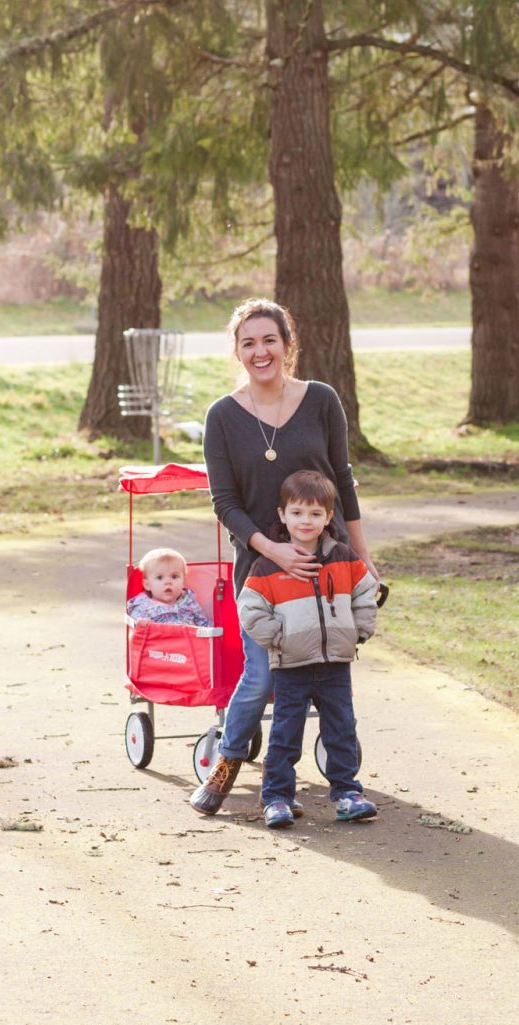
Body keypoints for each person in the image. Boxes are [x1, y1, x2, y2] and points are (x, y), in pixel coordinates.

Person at [189, 298, 375, 816]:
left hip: (327, 566)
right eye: (248, 342)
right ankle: (225, 766)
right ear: (237, 351)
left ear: (288, 346)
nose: (260, 350)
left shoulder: (321, 400)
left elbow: (342, 480)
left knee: (330, 674)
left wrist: (362, 557)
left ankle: (344, 783)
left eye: (270, 339)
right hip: (263, 569)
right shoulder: (222, 416)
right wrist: (275, 551)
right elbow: (224, 502)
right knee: (264, 675)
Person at [237, 470, 378, 827]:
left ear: (329, 518)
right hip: (291, 665)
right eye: (297, 513)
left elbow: (365, 593)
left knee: (342, 729)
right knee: (286, 733)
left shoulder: (343, 557)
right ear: (283, 515)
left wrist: (359, 629)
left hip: (335, 664)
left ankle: (348, 793)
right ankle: (277, 798)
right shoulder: (270, 564)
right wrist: (279, 636)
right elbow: (250, 608)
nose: (306, 521)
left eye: (315, 514)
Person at [127, 547, 213, 627]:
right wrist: (141, 624)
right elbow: (135, 621)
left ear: (183, 582)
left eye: (174, 577)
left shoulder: (189, 601)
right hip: (158, 641)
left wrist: (212, 629)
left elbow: (202, 622)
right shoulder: (143, 605)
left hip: (188, 640)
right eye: (160, 578)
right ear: (147, 585)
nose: (168, 582)